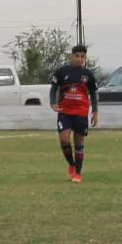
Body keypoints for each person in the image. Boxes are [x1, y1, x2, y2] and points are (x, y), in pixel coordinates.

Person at [49, 44, 99, 183]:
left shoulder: (88, 75)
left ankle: (78, 173)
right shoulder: (62, 72)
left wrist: (95, 111)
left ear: (85, 58)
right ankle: (71, 164)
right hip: (64, 111)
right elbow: (53, 87)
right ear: (72, 56)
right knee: (64, 139)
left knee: (79, 142)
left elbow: (93, 94)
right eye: (77, 56)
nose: (79, 59)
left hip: (81, 112)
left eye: (82, 56)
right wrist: (52, 102)